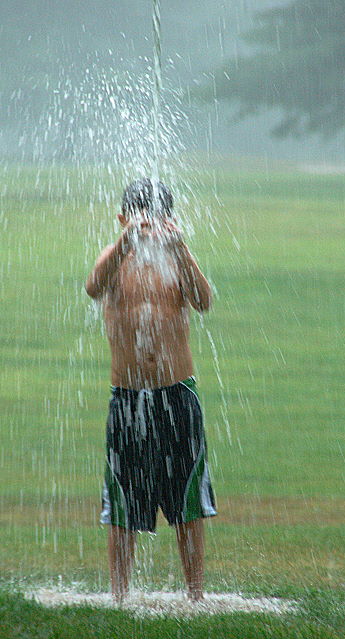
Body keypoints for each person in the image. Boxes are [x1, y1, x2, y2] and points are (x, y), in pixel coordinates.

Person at [85, 178, 216, 602]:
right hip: (127, 396)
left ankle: (196, 596)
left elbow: (204, 301)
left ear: (170, 221)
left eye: (157, 221)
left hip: (177, 393)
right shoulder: (115, 255)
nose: (148, 228)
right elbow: (92, 285)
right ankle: (119, 596)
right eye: (140, 220)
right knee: (122, 503)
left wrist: (179, 248)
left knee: (187, 502)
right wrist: (126, 242)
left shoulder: (176, 260)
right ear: (123, 220)